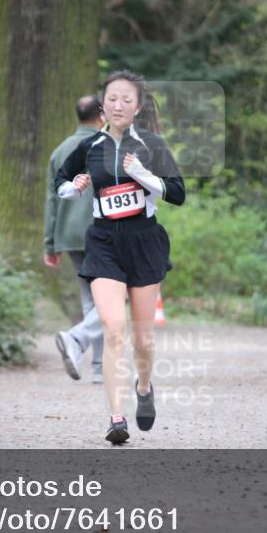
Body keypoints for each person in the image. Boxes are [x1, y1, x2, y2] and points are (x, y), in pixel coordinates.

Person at [53, 70, 186, 444]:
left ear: (138, 106)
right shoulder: (89, 146)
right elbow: (61, 181)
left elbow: (178, 193)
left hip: (144, 241)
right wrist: (73, 188)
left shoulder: (152, 144)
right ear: (103, 105)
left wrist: (143, 175)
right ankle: (116, 418)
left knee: (142, 340)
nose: (119, 105)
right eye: (112, 99)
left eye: (127, 99)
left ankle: (144, 387)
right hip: (104, 242)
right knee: (114, 330)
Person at [44, 96, 106, 385]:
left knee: (90, 299)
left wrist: (50, 244)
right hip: (102, 231)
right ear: (101, 115)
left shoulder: (59, 151)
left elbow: (52, 199)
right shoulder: (107, 145)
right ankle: (96, 364)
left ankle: (91, 362)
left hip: (70, 235)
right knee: (111, 298)